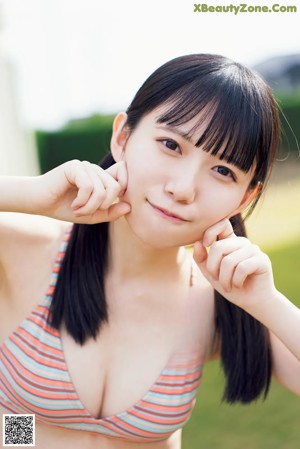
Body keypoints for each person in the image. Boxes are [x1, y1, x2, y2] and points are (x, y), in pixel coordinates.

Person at [0, 53, 299, 449]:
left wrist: (268, 302)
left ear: (246, 196)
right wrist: (29, 194)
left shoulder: (220, 300)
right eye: (170, 145)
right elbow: (19, 428)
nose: (183, 187)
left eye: (223, 170)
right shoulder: (29, 247)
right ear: (122, 137)